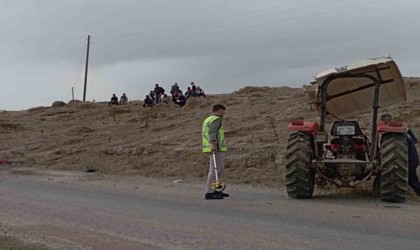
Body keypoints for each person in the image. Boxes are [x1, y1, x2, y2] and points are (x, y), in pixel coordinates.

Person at [380, 114, 420, 196]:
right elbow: (414, 141)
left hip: (408, 160)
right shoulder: (407, 133)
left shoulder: (399, 136)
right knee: (412, 178)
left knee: (411, 179)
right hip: (411, 159)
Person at [202, 104, 228, 200]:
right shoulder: (215, 119)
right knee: (215, 170)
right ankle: (209, 192)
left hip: (213, 148)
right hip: (215, 148)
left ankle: (216, 190)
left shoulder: (208, 119)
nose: (223, 113)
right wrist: (213, 144)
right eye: (222, 111)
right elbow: (212, 132)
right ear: (218, 110)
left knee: (219, 169)